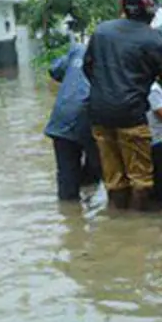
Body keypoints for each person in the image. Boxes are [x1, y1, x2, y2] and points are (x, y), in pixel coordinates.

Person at [83, 0, 162, 211]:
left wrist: (107, 91)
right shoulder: (155, 39)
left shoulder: (101, 31)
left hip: (99, 115)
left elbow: (89, 68)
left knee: (114, 179)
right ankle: (136, 228)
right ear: (151, 6)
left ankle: (117, 223)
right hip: (131, 116)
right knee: (142, 181)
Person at [44, 39, 101, 201]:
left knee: (67, 176)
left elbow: (55, 70)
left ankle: (71, 217)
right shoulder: (112, 54)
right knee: (102, 167)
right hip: (92, 117)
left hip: (62, 119)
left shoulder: (77, 50)